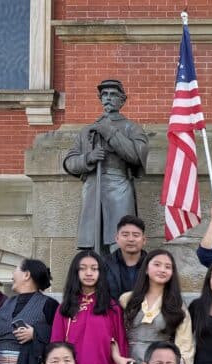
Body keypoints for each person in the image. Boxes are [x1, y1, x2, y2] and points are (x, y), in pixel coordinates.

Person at [63, 79, 149, 252]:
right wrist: (88, 158)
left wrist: (109, 132)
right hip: (93, 188)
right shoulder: (87, 130)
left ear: (122, 100)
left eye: (113, 95)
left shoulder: (131, 128)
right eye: (104, 95)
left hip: (119, 188)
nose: (108, 98)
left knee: (120, 244)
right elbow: (70, 162)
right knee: (91, 246)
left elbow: (135, 155)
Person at [50, 251, 129, 364]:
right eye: (83, 269)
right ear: (75, 273)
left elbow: (121, 345)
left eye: (94, 269)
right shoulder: (65, 308)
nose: (88, 273)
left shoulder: (112, 307)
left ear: (101, 273)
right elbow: (55, 345)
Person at [118, 250, 194, 364]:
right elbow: (115, 333)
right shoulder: (127, 299)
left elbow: (185, 342)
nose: (162, 270)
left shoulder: (176, 304)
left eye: (167, 267)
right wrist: (118, 359)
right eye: (157, 264)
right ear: (146, 269)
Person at [104, 215, 149, 300]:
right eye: (125, 235)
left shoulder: (153, 265)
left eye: (136, 235)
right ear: (117, 238)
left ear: (144, 240)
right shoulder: (104, 264)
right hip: (112, 312)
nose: (131, 239)